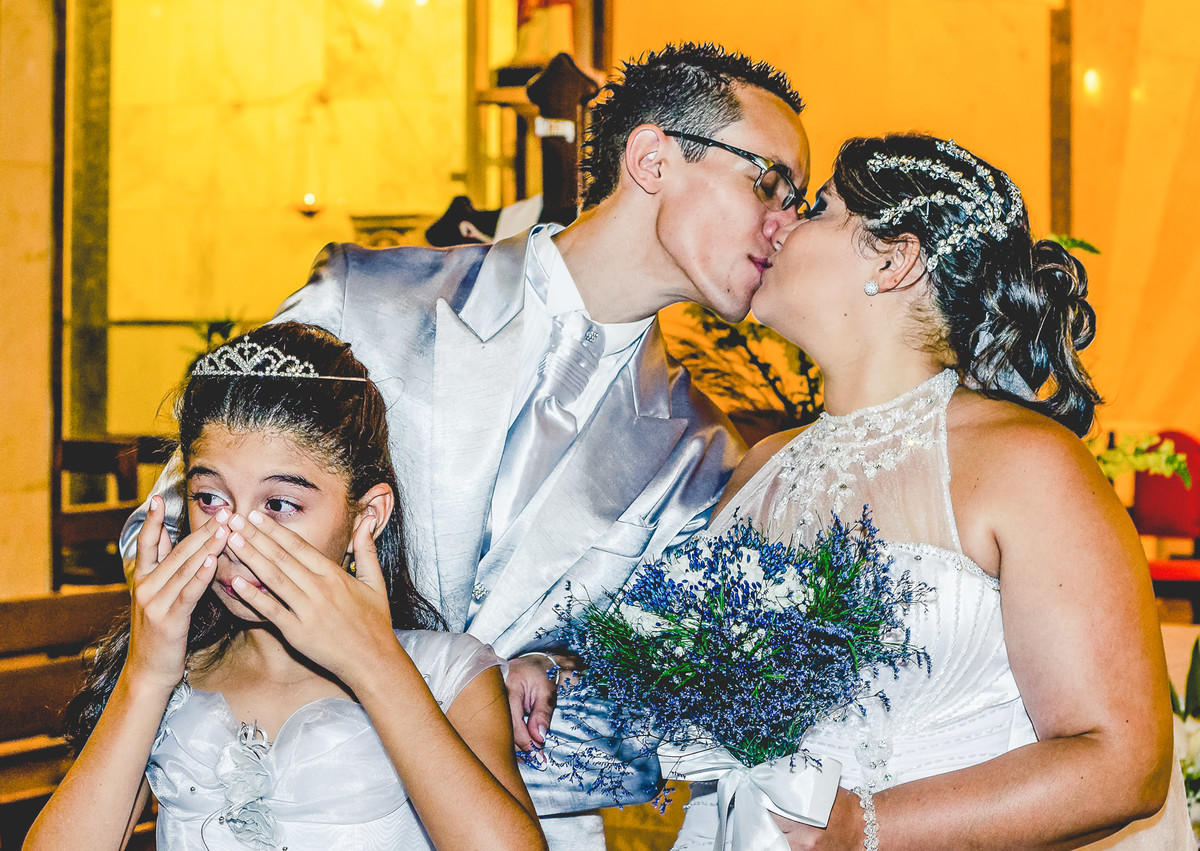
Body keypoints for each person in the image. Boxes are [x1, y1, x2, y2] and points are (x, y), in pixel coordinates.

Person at [121, 42, 810, 847]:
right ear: (652, 159)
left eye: (799, 203)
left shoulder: (703, 458)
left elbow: (664, 735)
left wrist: (543, 682)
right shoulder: (368, 298)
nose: (787, 225)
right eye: (769, 182)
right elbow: (160, 534)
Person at [672, 134, 1190, 849]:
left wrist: (864, 827)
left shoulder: (1024, 463)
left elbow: (1122, 762)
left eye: (817, 208)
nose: (778, 222)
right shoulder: (758, 468)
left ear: (895, 259)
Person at [29, 323, 546, 851]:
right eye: (210, 498)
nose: (235, 535)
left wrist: (374, 664)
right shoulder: (174, 678)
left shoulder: (447, 674)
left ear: (366, 517)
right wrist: (146, 674)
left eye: (278, 504)